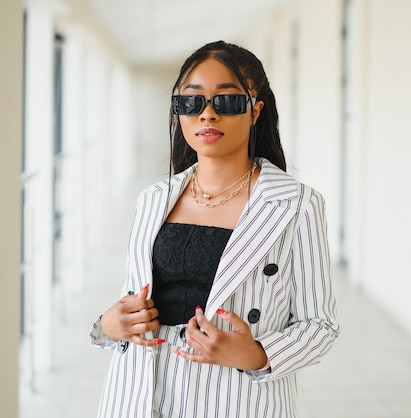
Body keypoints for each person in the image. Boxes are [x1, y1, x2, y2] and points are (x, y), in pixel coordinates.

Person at [90, 40, 339, 418]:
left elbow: (320, 325)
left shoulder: (296, 204)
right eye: (191, 103)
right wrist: (108, 326)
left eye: (226, 102)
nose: (207, 115)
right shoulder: (153, 199)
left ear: (256, 111)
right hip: (139, 391)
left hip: (235, 396)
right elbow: (133, 297)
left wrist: (257, 354)